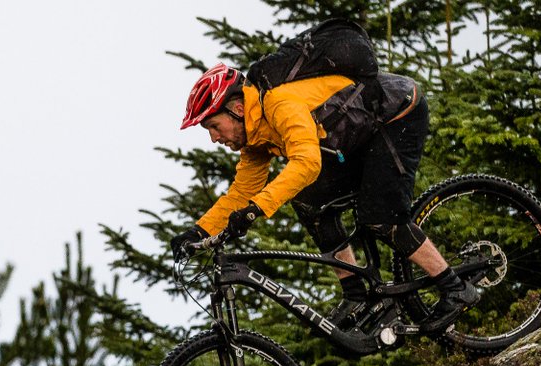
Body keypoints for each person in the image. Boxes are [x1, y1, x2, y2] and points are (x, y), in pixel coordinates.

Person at [169, 62, 481, 333]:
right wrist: (199, 231)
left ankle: (455, 287)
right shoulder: (254, 138)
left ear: (236, 109)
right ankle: (357, 295)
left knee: (381, 216)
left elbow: (306, 163)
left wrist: (256, 210)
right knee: (309, 203)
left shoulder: (278, 103)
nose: (214, 138)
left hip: (397, 112)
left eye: (213, 126)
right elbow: (242, 192)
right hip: (358, 136)